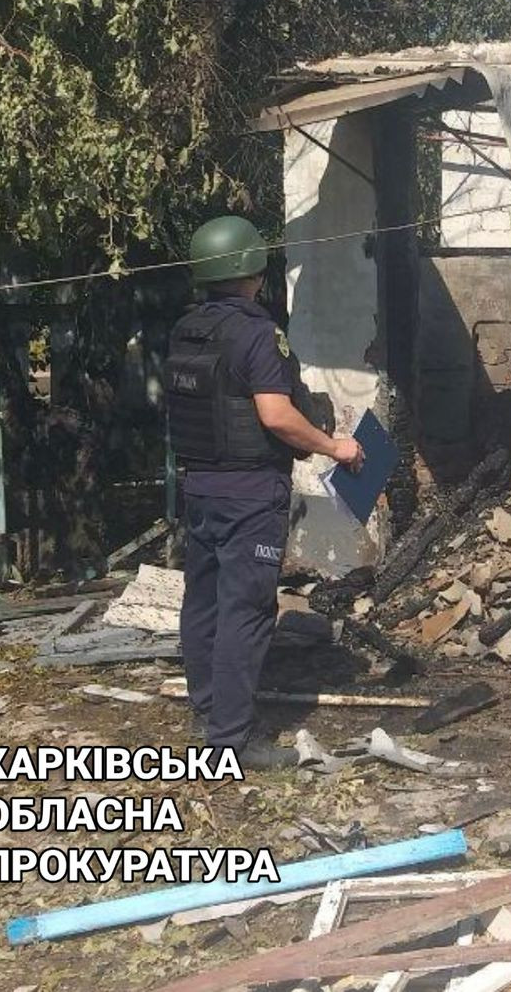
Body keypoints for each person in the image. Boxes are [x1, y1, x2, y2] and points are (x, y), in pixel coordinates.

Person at [165, 215, 364, 770]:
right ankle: (231, 741)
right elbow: (275, 416)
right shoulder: (257, 334)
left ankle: (209, 713)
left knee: (202, 603)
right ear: (251, 269)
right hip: (250, 494)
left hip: (199, 487)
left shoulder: (187, 329)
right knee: (246, 610)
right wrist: (334, 446)